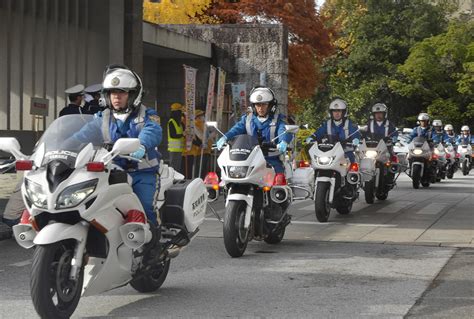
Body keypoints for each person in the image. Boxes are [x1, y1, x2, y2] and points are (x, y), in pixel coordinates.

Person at [71, 65, 162, 225]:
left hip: (142, 173)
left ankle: (151, 244)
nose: (116, 97)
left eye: (122, 92)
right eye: (113, 92)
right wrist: (61, 149)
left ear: (133, 95)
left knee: (144, 207)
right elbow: (80, 136)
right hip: (110, 174)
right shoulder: (102, 118)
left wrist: (141, 145)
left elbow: (152, 131)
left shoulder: (147, 115)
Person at [216, 86, 292, 173]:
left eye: (264, 104)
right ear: (253, 106)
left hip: (271, 160)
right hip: (249, 160)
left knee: (279, 180)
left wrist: (284, 141)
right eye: (258, 105)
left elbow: (284, 130)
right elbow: (236, 130)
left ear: (271, 106)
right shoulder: (247, 119)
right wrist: (225, 137)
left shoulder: (277, 120)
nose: (260, 108)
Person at [305, 98, 360, 163]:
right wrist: (312, 137)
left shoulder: (350, 124)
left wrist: (356, 140)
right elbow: (318, 133)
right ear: (331, 112)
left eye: (339, 111)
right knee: (315, 163)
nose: (336, 113)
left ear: (344, 112)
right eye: (334, 111)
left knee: (351, 166)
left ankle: (352, 173)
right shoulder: (327, 124)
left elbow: (356, 135)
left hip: (345, 152)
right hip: (329, 152)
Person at [167, 103, 185, 173]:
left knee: (178, 167)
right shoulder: (171, 122)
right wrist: (182, 134)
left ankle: (177, 180)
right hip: (173, 148)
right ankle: (173, 181)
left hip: (179, 148)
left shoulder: (179, 123)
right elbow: (173, 135)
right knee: (173, 167)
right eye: (180, 112)